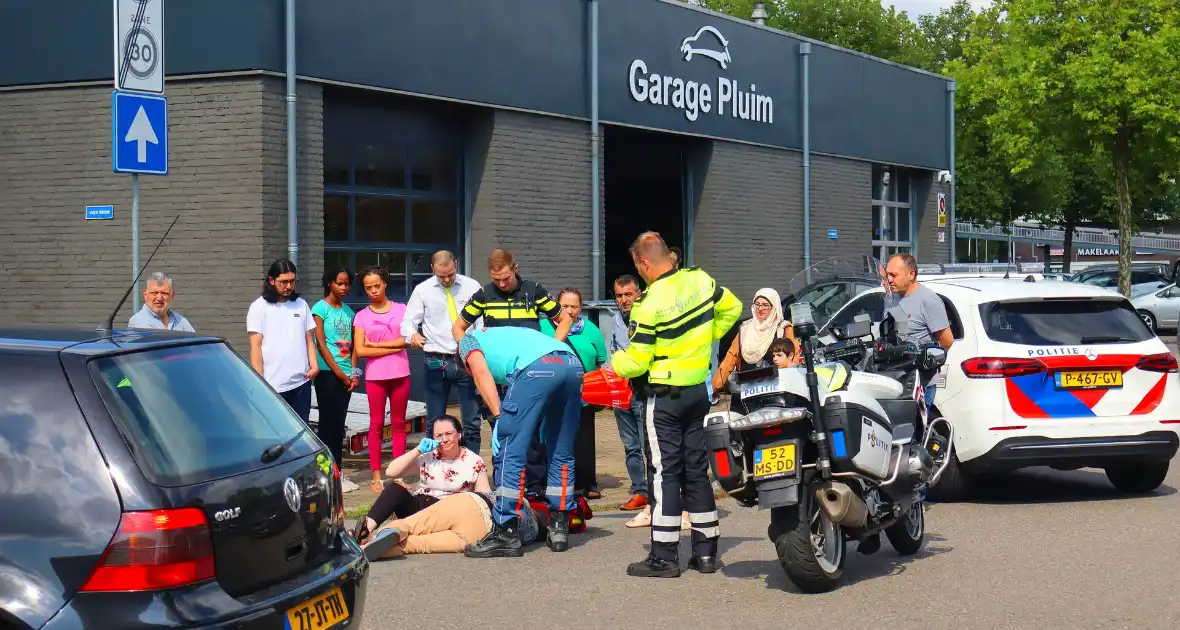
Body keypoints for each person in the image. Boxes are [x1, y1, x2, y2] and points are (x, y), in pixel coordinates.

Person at [607, 231, 742, 578]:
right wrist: (705, 336)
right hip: (698, 392)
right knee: (697, 471)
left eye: (639, 270)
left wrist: (614, 364)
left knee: (665, 473)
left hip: (664, 398)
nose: (641, 276)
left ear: (646, 263)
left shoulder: (648, 303)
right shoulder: (700, 280)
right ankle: (707, 553)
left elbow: (636, 362)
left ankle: (665, 556)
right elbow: (734, 308)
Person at [452, 248, 573, 499]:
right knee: (502, 430)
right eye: (496, 279)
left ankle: (536, 489)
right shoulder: (484, 295)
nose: (502, 283)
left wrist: (553, 347)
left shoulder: (535, 290)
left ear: (515, 269)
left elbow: (565, 320)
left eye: (506, 278)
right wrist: (468, 351)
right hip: (498, 375)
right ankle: (505, 487)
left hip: (530, 371)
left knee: (534, 433)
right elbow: (458, 327)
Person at [457, 326, 584, 557]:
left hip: (535, 367)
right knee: (561, 450)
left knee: (509, 450)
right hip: (572, 364)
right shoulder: (506, 335)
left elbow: (481, 372)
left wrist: (499, 418)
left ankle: (506, 532)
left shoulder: (467, 342)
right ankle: (559, 527)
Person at [352, 416, 490, 545]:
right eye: (439, 436)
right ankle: (365, 532)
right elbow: (391, 472)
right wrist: (418, 450)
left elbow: (484, 498)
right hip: (421, 506)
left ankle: (386, 537)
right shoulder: (428, 456)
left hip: (448, 513)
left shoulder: (474, 461)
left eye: (449, 434)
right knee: (395, 488)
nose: (445, 439)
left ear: (459, 435)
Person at [401, 250, 484, 449]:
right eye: (441, 276)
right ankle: (434, 466)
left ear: (456, 264)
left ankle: (472, 467)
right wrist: (412, 335)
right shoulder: (423, 290)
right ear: (432, 269)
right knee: (435, 421)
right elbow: (408, 321)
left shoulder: (472, 286)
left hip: (467, 358)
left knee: (472, 421)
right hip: (436, 359)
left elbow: (482, 321)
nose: (447, 279)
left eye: (450, 274)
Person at [541, 288, 608, 500]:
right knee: (550, 437)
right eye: (565, 306)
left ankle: (587, 483)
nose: (569, 311)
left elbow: (600, 360)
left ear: (581, 308)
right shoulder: (543, 326)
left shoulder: (591, 329)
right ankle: (551, 482)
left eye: (574, 306)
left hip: (583, 393)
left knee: (584, 439)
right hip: (552, 392)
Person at [352, 266, 411, 493]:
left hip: (401, 374)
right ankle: (376, 474)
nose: (373, 291)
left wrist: (375, 345)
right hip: (375, 377)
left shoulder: (402, 309)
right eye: (368, 288)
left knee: (398, 424)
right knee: (375, 424)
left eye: (377, 285)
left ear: (385, 283)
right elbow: (360, 350)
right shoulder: (361, 316)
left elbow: (406, 340)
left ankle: (398, 475)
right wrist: (389, 347)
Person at [358, 491, 544, 561]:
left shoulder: (522, 501)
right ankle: (366, 550)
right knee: (417, 545)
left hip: (471, 503)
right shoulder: (530, 534)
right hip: (481, 533)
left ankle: (385, 534)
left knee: (412, 524)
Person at [247, 259, 319, 422]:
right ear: (271, 281)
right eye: (283, 282)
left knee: (302, 434)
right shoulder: (259, 307)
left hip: (301, 383)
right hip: (273, 386)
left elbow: (308, 339)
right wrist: (261, 383)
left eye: (292, 281)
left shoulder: (301, 305)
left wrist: (314, 365)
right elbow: (255, 347)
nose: (288, 286)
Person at [882, 252, 953, 408]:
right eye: (887, 275)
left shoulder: (928, 300)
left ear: (911, 274)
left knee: (916, 430)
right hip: (893, 376)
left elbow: (947, 340)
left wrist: (924, 363)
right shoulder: (890, 297)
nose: (889, 280)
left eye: (894, 275)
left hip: (919, 383)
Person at [609, 275, 650, 513]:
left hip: (643, 390)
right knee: (630, 445)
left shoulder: (646, 317)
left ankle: (656, 492)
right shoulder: (616, 319)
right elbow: (613, 350)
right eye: (619, 295)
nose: (623, 300)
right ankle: (639, 491)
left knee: (649, 445)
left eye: (628, 294)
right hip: (621, 391)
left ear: (639, 293)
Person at [311, 267, 358, 466]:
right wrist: (340, 374)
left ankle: (338, 471)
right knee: (327, 424)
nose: (344, 287)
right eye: (340, 283)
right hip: (327, 374)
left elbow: (355, 347)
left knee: (339, 425)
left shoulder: (349, 312)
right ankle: (325, 469)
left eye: (347, 284)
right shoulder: (319, 309)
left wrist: (354, 374)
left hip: (346, 376)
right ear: (330, 283)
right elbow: (320, 344)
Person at [712, 288, 799, 392]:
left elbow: (795, 357)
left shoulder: (784, 329)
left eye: (765, 305)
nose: (760, 308)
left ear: (774, 306)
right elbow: (730, 359)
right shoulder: (744, 330)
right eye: (757, 304)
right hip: (747, 390)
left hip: (777, 388)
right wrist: (713, 388)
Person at [128, 272, 196, 331]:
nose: (159, 298)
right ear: (145, 295)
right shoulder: (138, 321)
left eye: (164, 293)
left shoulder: (180, 320)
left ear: (172, 296)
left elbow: (196, 344)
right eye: (154, 293)